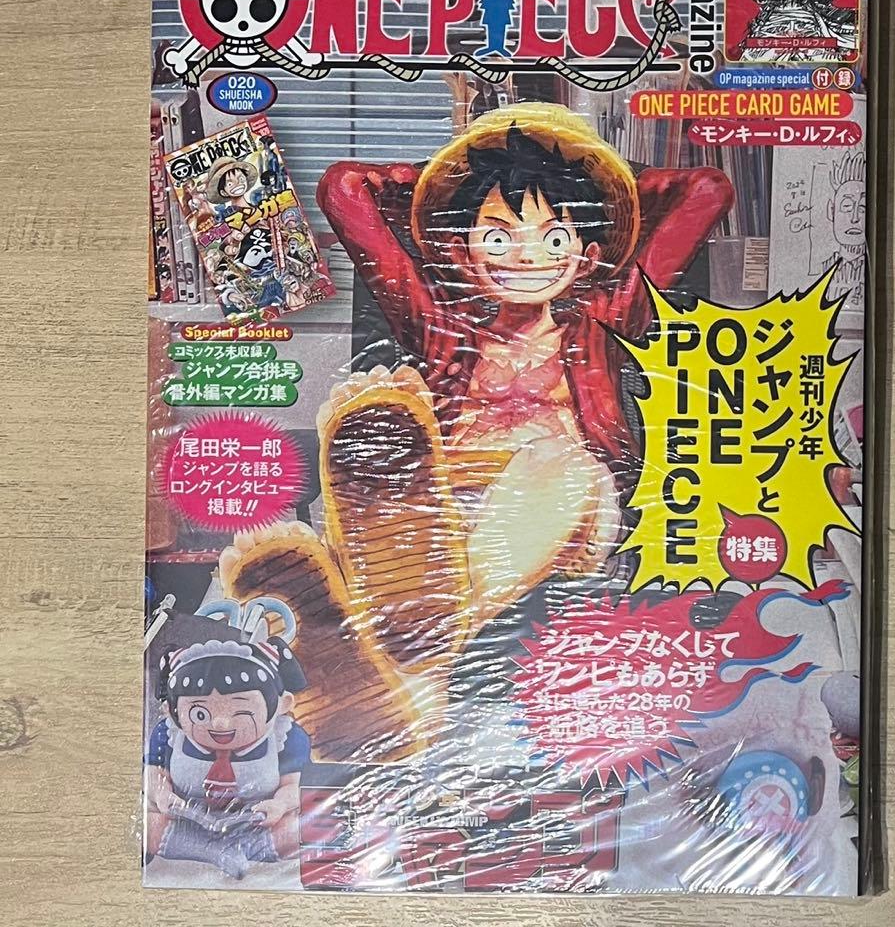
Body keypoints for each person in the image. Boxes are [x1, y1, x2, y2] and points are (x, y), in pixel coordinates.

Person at [219, 103, 735, 758]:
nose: (526, 255)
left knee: (558, 462)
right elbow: (343, 188)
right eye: (497, 237)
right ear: (461, 251)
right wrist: (453, 178)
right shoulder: (438, 325)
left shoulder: (606, 320)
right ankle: (394, 693)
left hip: (557, 511)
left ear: (586, 257)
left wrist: (582, 167)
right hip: (431, 510)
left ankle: (408, 658)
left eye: (553, 239)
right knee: (357, 500)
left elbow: (707, 190)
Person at [144, 636, 310, 879]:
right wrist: (162, 795)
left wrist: (280, 805)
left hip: (256, 823)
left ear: (282, 705)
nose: (220, 723)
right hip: (188, 822)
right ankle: (209, 851)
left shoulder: (286, 736)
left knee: (303, 827)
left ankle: (243, 850)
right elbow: (154, 774)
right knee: (146, 824)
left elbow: (293, 785)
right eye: (200, 713)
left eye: (241, 711)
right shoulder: (168, 734)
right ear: (171, 710)